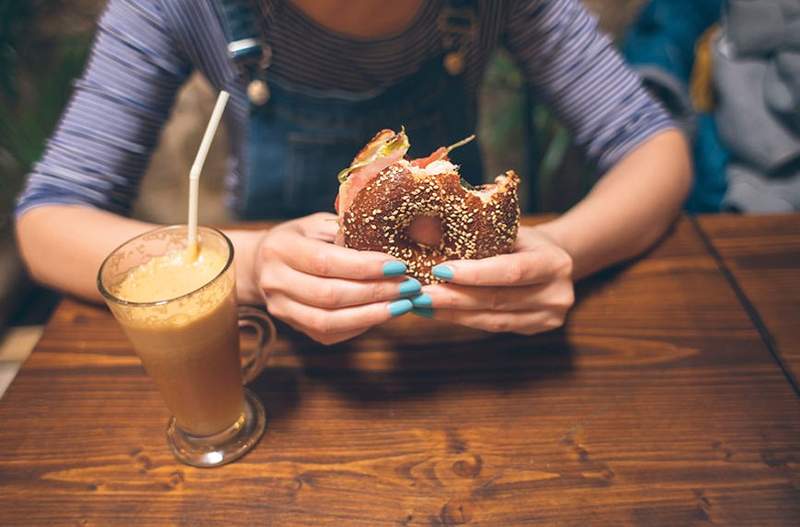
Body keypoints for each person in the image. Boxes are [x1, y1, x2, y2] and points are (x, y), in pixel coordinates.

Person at [14, 0, 691, 344]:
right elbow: (49, 218)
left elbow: (654, 149)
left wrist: (563, 250)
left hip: (468, 337)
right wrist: (251, 267)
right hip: (275, 357)